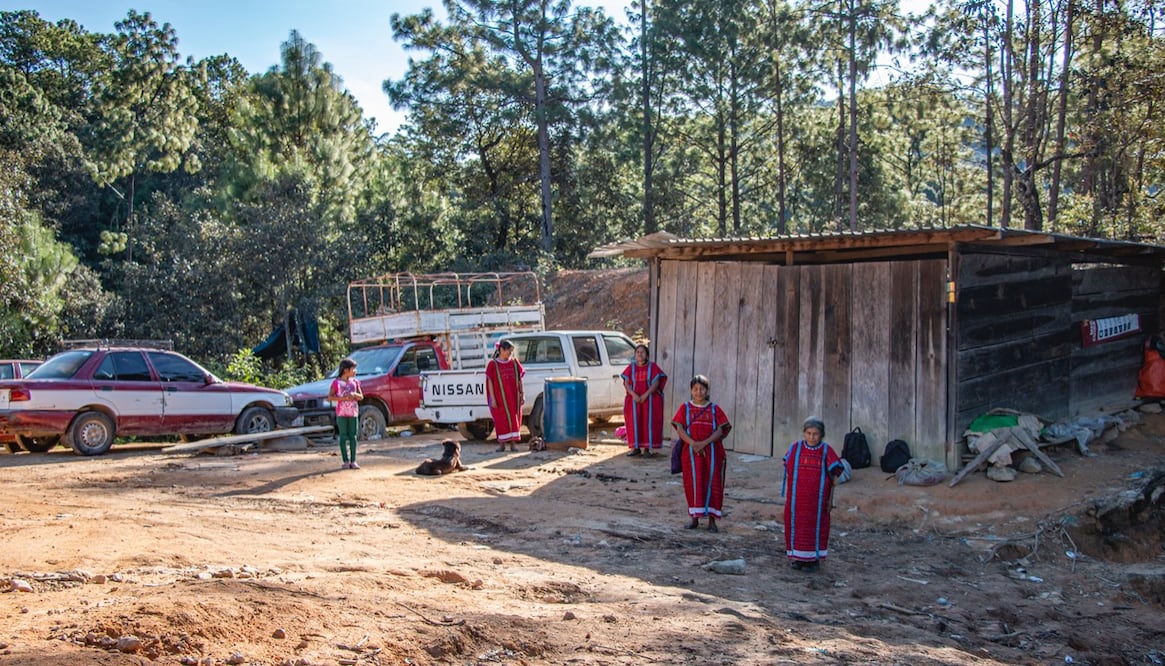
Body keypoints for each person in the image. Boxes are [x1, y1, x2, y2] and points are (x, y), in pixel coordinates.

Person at [781, 417, 845, 572]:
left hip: (817, 501)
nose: (812, 437)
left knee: (815, 527)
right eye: (808, 433)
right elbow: (786, 463)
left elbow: (836, 471)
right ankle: (797, 558)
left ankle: (813, 560)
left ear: (821, 435)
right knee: (796, 525)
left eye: (815, 434)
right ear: (804, 433)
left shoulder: (825, 450)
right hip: (797, 499)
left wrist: (830, 498)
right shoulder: (796, 448)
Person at [671, 375, 731, 532]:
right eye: (695, 389)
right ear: (691, 390)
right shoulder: (685, 408)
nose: (699, 392)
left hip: (712, 453)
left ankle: (712, 521)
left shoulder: (714, 409)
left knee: (713, 483)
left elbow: (721, 429)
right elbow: (680, 429)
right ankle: (694, 518)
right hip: (690, 454)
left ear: (707, 390)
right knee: (693, 484)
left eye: (702, 389)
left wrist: (703, 444)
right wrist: (693, 444)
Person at [621, 344, 667, 458]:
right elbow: (626, 383)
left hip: (650, 400)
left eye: (642, 352)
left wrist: (645, 395)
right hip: (634, 401)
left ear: (647, 355)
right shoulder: (631, 368)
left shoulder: (653, 367)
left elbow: (656, 383)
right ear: (635, 355)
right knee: (635, 423)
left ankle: (647, 449)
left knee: (648, 423)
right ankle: (635, 448)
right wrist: (634, 395)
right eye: (638, 352)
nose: (640, 354)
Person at [485, 339, 525, 452]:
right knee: (501, 420)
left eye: (511, 352)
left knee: (514, 418)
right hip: (500, 398)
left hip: (513, 397)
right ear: (501, 349)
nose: (510, 354)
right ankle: (502, 444)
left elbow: (519, 380)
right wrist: (492, 398)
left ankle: (513, 444)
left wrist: (522, 394)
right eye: (508, 351)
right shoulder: (493, 364)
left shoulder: (514, 362)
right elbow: (490, 382)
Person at [328, 358, 364, 469]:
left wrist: (354, 395)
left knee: (353, 436)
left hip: (353, 413)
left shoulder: (355, 382)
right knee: (343, 436)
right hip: (341, 413)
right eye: (353, 369)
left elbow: (361, 396)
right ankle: (345, 461)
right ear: (345, 370)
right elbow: (330, 397)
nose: (355, 371)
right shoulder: (336, 383)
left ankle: (353, 460)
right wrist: (343, 398)